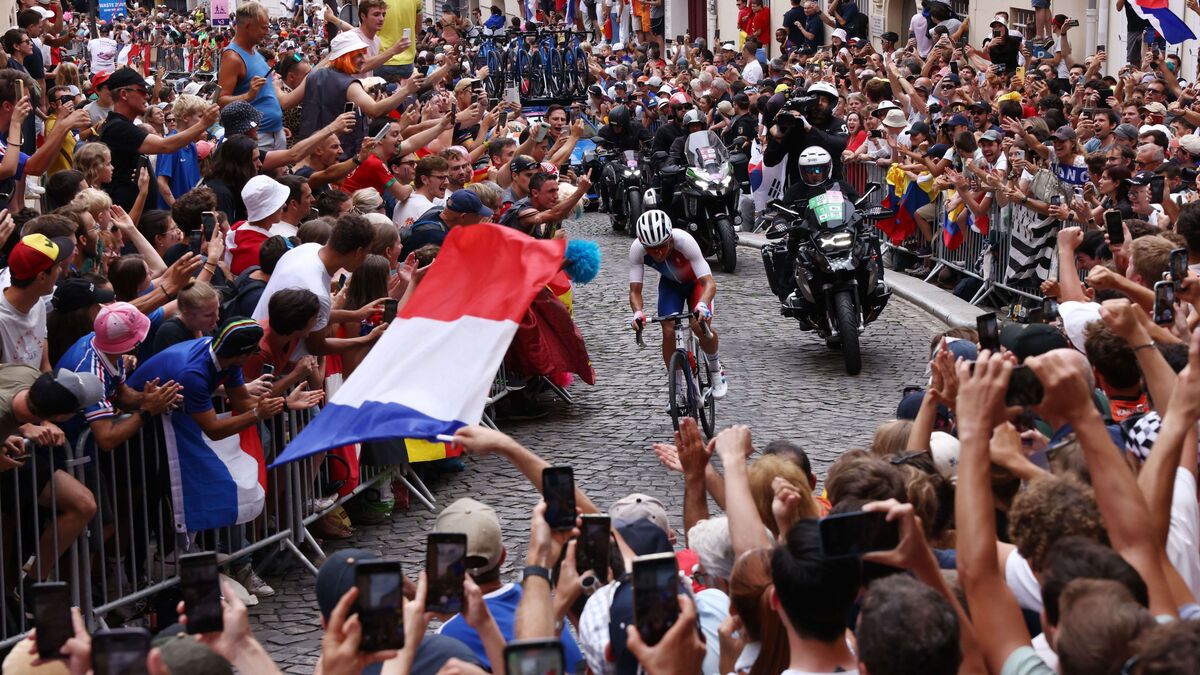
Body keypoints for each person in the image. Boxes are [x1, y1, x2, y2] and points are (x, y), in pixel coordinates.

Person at [628, 209, 727, 401]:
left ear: (670, 238)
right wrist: (637, 312)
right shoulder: (637, 249)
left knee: (698, 325)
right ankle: (677, 389)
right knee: (668, 331)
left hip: (697, 284)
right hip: (670, 286)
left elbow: (709, 283)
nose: (657, 252)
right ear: (642, 243)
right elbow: (635, 291)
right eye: (651, 248)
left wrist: (702, 305)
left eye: (662, 246)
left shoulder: (685, 241)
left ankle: (716, 370)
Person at [98, 67, 219, 212]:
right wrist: (203, 124)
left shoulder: (123, 125)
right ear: (124, 94)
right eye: (142, 91)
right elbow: (165, 146)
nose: (147, 96)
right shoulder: (117, 128)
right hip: (126, 217)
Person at [217, 2, 287, 152]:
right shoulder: (232, 57)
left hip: (272, 133)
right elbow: (221, 100)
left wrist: (277, 127)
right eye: (263, 27)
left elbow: (264, 95)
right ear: (248, 26)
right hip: (257, 137)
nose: (267, 32)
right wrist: (248, 95)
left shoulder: (254, 51)